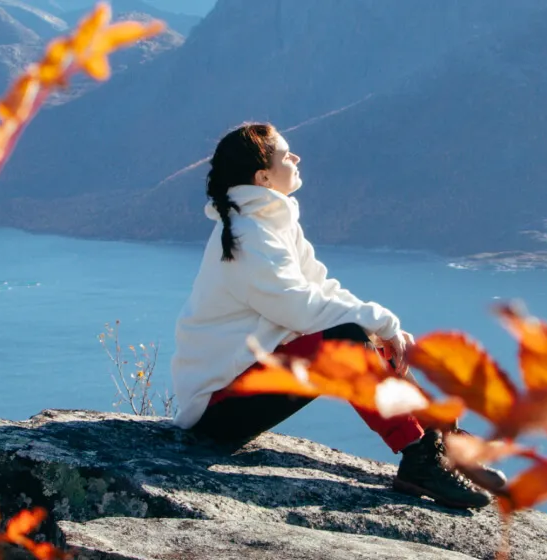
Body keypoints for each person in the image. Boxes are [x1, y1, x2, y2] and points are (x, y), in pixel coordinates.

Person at [168, 122, 503, 510]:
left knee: (355, 332)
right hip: (218, 413)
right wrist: (381, 323)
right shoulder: (247, 235)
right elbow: (299, 307)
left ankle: (437, 436)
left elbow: (321, 287)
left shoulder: (270, 221)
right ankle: (421, 454)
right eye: (285, 155)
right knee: (343, 338)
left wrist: (381, 329)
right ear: (263, 177)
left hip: (239, 390)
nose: (296, 158)